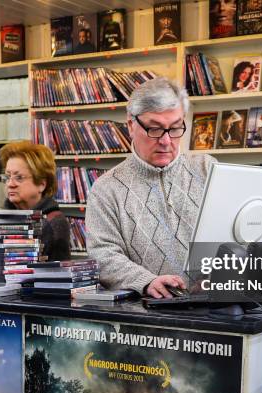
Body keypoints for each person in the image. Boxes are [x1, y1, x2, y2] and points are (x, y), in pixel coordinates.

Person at [86, 77, 216, 298]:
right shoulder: (106, 189)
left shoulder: (207, 169)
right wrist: (146, 281)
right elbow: (103, 255)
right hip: (146, 315)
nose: (166, 141)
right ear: (131, 126)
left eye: (175, 128)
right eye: (154, 129)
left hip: (216, 308)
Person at [0, 142, 71, 273]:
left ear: (41, 184)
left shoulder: (53, 222)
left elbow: (55, 274)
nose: (10, 184)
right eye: (7, 177)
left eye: (19, 177)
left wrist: (2, 266)